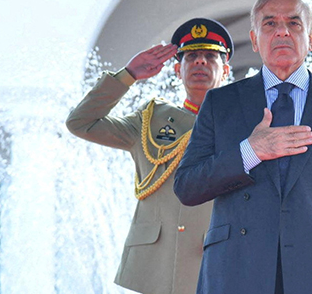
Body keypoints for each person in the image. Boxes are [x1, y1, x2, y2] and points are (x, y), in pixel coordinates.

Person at [174, 0, 312, 294]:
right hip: (235, 274)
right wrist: (250, 151)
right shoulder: (221, 103)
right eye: (269, 23)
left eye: (294, 23)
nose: (282, 31)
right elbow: (187, 187)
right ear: (255, 39)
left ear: (311, 38)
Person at [66, 18, 233, 294]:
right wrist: (128, 75)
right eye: (191, 56)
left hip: (215, 264)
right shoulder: (151, 119)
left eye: (210, 56)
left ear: (225, 70)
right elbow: (80, 123)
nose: (200, 62)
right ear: (178, 70)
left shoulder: (244, 123)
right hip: (154, 267)